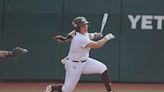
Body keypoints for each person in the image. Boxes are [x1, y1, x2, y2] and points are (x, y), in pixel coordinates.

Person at [46, 16, 115, 92]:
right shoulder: (80, 38)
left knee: (103, 68)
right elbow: (97, 45)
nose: (85, 26)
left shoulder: (82, 34)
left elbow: (89, 35)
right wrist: (106, 38)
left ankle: (110, 91)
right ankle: (52, 88)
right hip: (74, 66)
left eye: (86, 24)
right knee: (66, 90)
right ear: (78, 28)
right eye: (82, 25)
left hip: (85, 62)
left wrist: (97, 35)